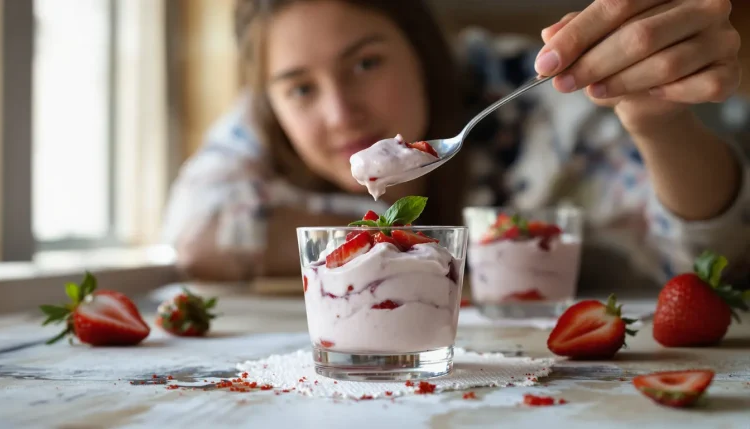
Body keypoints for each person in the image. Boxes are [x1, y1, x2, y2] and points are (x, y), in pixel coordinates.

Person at [162, 0, 750, 291]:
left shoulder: (528, 98)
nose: (340, 112)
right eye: (300, 89)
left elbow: (710, 261)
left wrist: (659, 125)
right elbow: (197, 228)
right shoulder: (262, 126)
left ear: (423, 53)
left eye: (366, 63)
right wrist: (399, 245)